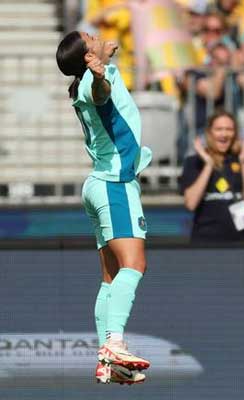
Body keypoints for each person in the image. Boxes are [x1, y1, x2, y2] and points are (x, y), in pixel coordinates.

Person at [56, 31, 152, 384]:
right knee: (135, 264)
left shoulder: (92, 74)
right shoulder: (91, 83)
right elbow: (100, 95)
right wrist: (100, 75)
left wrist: (105, 62)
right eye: (90, 37)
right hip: (114, 184)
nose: (97, 36)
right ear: (86, 57)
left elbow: (103, 86)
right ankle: (115, 343)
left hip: (98, 183)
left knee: (110, 277)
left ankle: (107, 361)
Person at [181, 110, 244, 242]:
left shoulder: (241, 160)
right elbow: (191, 204)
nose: (224, 134)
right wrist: (209, 165)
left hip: (240, 241)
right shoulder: (194, 162)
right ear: (209, 132)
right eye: (219, 129)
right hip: (204, 241)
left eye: (229, 129)